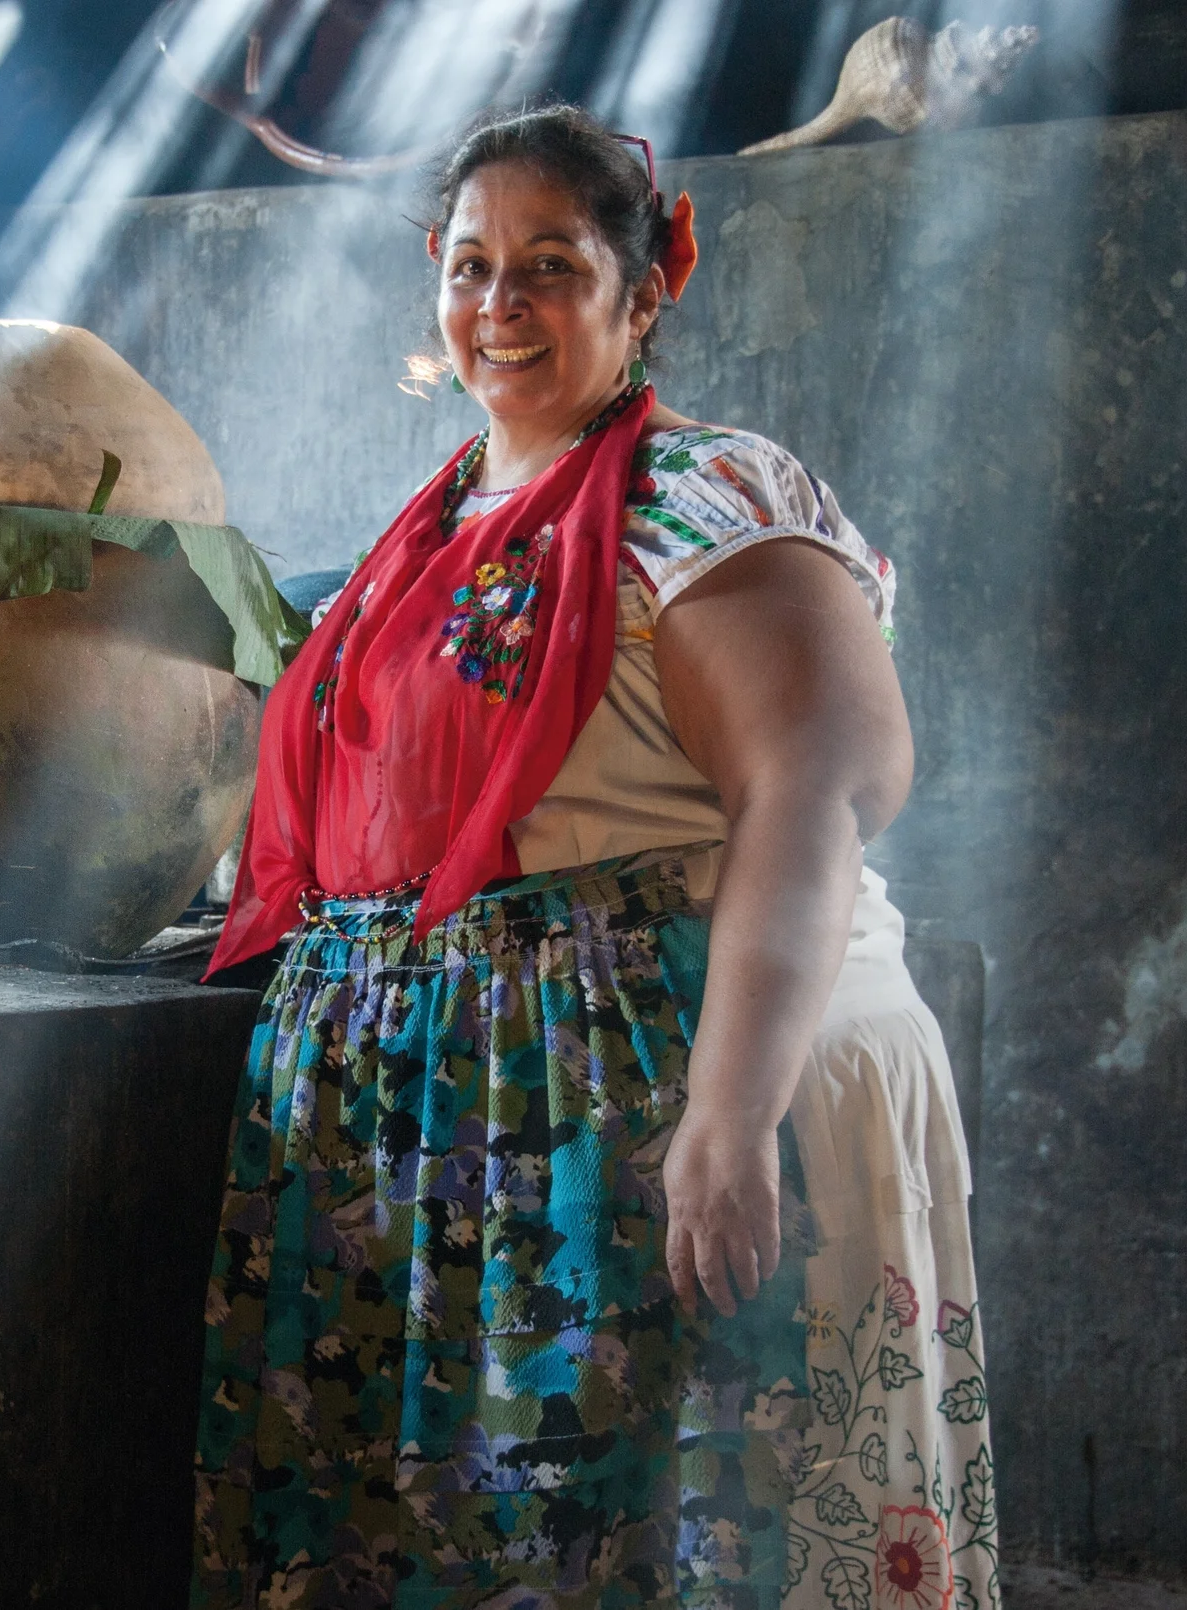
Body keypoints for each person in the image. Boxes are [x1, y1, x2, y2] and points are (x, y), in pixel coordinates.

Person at [192, 104, 995, 1610]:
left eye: (550, 266)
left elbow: (814, 783)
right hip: (473, 1123)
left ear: (645, 286)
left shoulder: (709, 501)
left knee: (680, 1550)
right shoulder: (441, 521)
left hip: (645, 1107)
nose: (500, 307)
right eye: (475, 265)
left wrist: (730, 1117)